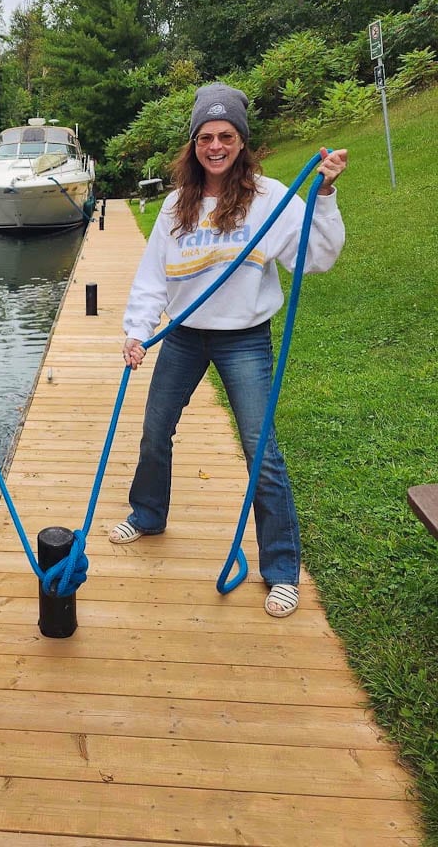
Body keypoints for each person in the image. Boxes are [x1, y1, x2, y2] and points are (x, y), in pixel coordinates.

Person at [109, 82, 348, 618]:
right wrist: (136, 331)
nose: (215, 146)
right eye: (205, 137)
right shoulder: (176, 205)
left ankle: (281, 568)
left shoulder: (270, 198)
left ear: (242, 141)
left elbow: (317, 259)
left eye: (226, 136)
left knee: (260, 447)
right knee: (154, 428)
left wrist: (325, 197)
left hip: (244, 337)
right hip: (185, 334)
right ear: (193, 143)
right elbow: (152, 277)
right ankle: (147, 513)